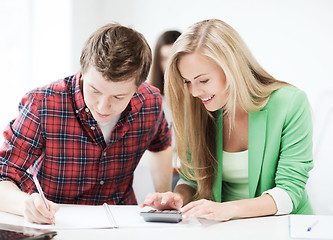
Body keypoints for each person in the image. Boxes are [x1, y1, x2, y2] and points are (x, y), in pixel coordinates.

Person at [141, 19, 314, 221]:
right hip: (225, 228)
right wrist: (177, 197)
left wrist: (229, 209)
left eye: (203, 80)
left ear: (233, 68)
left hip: (286, 226)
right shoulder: (199, 108)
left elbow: (289, 193)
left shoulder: (290, 103)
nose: (195, 91)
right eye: (187, 82)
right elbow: (192, 180)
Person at [0, 23, 173, 224]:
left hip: (122, 222)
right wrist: (25, 205)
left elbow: (160, 146)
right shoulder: (43, 104)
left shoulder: (150, 101)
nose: (103, 106)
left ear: (137, 87)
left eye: (118, 96)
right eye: (94, 90)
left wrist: (164, 196)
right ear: (83, 70)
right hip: (55, 221)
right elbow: (4, 174)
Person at [148, 30, 181, 190]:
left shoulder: (199, 96)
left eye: (173, 57)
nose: (169, 64)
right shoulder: (152, 99)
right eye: (164, 58)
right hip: (166, 169)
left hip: (189, 170)